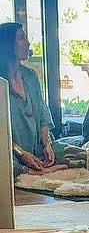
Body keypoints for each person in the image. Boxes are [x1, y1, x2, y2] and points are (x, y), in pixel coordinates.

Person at [3, 22, 54, 175]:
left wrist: (47, 144)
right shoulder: (1, 83)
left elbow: (44, 116)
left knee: (79, 154)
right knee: (8, 166)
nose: (28, 43)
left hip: (36, 148)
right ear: (7, 43)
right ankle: (32, 173)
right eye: (21, 38)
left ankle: (36, 169)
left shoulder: (30, 76)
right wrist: (21, 153)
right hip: (11, 151)